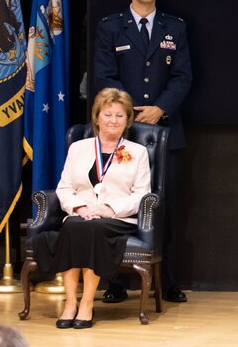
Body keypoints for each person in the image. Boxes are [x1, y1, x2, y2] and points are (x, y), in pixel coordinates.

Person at [93, 0, 192, 304]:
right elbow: (105, 76)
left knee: (164, 208)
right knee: (117, 204)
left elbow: (182, 77)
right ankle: (116, 282)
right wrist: (131, 113)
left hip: (165, 130)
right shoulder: (110, 27)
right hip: (123, 131)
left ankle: (167, 281)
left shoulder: (174, 27)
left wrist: (160, 108)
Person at [28, 88, 151, 330]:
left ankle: (86, 304)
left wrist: (108, 208)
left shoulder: (138, 153)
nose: (113, 120)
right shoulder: (79, 148)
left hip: (116, 218)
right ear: (97, 117)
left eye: (119, 115)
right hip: (80, 215)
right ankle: (70, 303)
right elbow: (64, 188)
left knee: (89, 229)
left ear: (128, 120)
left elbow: (142, 195)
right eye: (107, 114)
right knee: (76, 225)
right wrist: (80, 207)